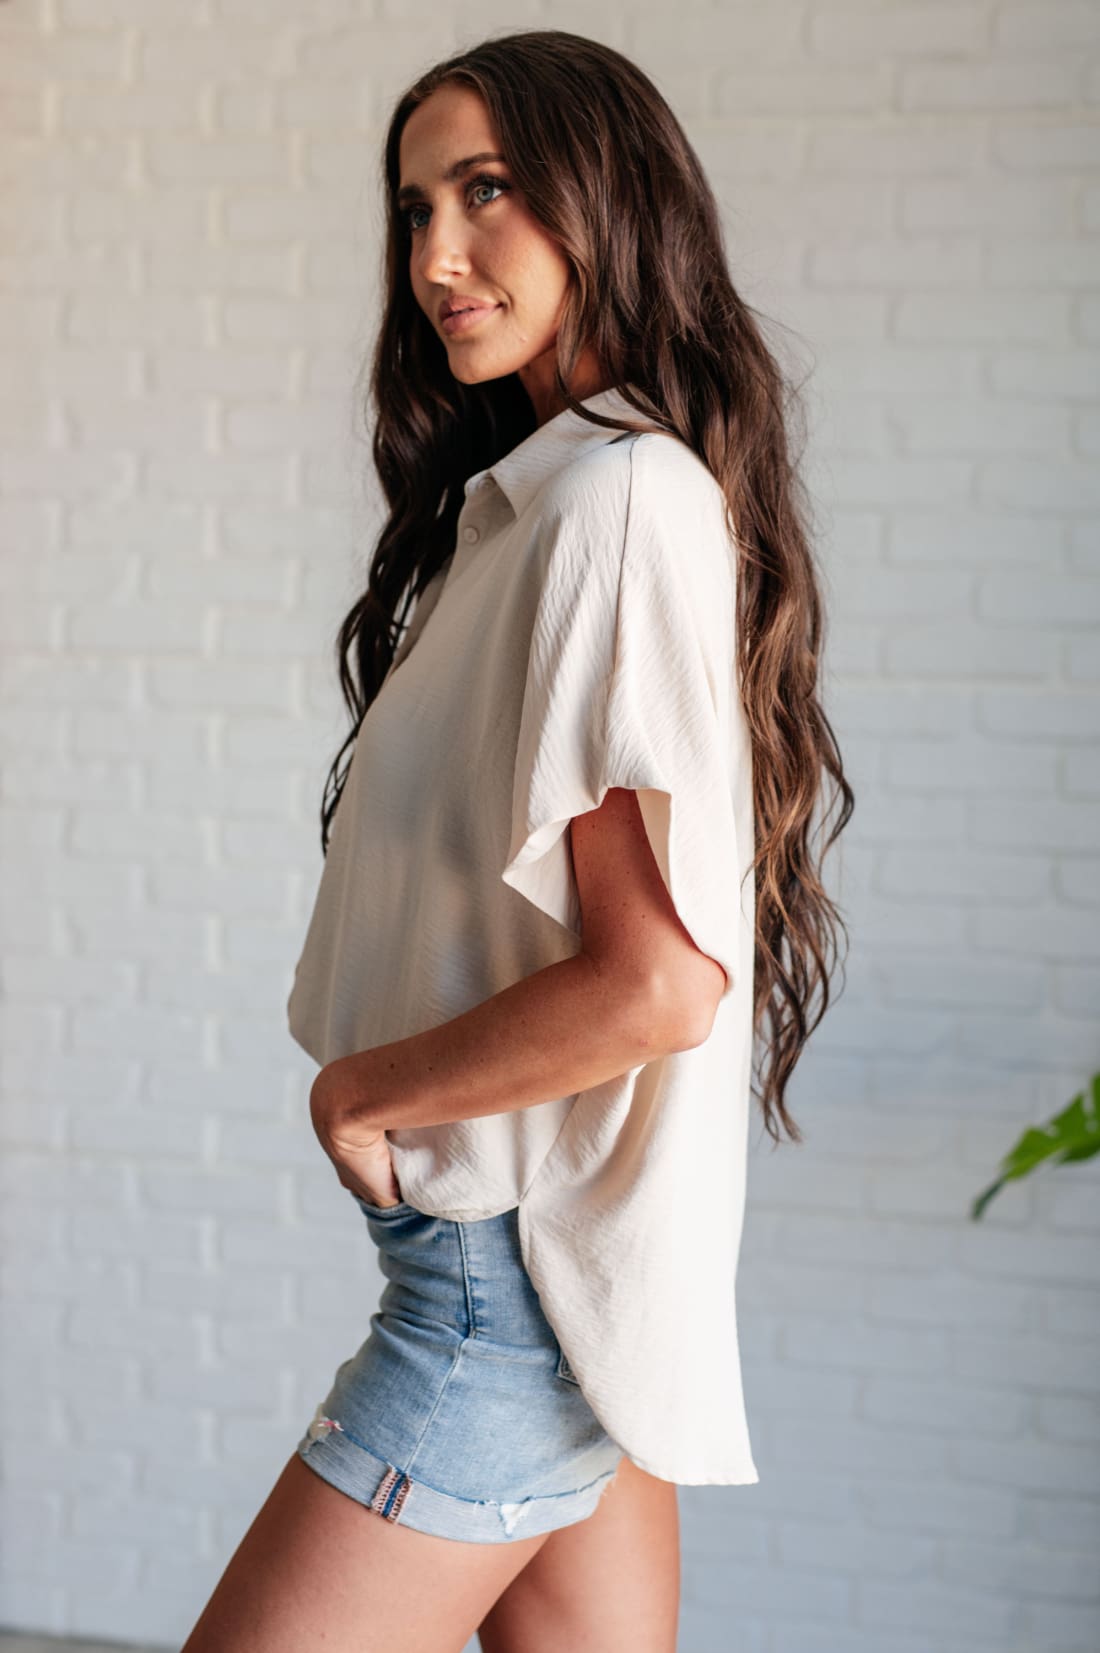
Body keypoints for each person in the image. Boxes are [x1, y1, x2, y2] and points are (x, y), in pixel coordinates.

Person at [181, 27, 854, 1653]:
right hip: (541, 1282)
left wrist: (366, 1086)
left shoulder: (618, 502)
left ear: (602, 197)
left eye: (486, 191)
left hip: (494, 1301)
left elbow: (656, 985)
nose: (435, 256)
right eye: (414, 208)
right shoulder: (544, 502)